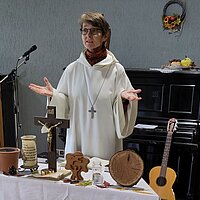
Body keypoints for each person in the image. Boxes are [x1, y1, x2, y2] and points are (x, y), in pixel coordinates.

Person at [29, 11, 141, 160]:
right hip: (78, 136)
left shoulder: (116, 70)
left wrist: (123, 100)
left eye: (94, 31)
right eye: (84, 31)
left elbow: (122, 114)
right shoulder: (72, 69)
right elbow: (65, 106)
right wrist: (54, 95)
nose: (88, 36)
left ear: (105, 36)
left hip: (104, 139)